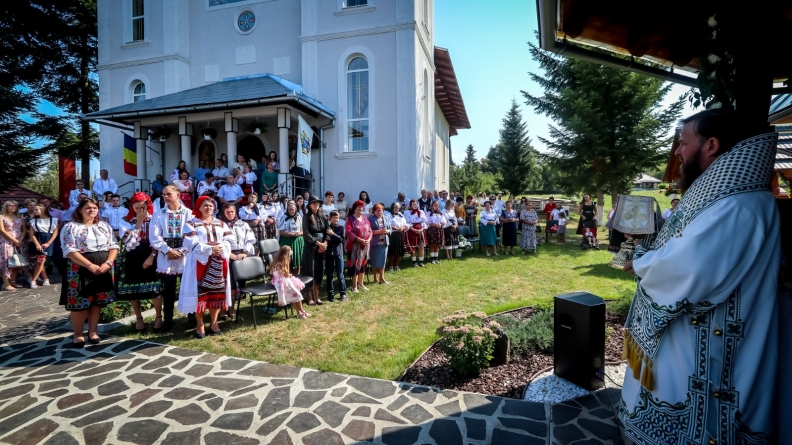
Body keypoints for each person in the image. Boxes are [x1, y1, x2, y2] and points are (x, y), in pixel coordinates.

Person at [619, 110, 783, 443]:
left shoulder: (738, 206)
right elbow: (686, 246)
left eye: (683, 143)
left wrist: (640, 261)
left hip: (713, 343)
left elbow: (688, 268)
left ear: (711, 145)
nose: (678, 152)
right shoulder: (724, 199)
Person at [60, 198, 118, 347]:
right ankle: (78, 334)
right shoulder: (71, 227)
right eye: (88, 208)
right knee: (80, 303)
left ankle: (93, 332)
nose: (92, 210)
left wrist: (108, 262)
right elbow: (69, 250)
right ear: (80, 210)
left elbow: (113, 245)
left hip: (103, 267)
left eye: (94, 207)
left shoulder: (104, 226)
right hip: (80, 268)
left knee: (97, 302)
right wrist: (89, 265)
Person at [178, 196, 233, 338]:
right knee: (200, 296)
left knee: (217, 294)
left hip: (219, 262)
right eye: (205, 205)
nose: (208, 208)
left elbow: (230, 239)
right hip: (199, 263)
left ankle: (214, 323)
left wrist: (220, 247)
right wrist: (209, 250)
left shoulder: (221, 223)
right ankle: (200, 324)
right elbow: (191, 242)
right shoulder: (191, 224)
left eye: (211, 205)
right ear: (198, 207)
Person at [116, 193, 164, 332]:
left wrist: (152, 255)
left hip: (151, 253)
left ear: (148, 206)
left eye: (142, 207)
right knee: (133, 289)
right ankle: (139, 318)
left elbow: (158, 238)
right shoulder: (125, 220)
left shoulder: (155, 218)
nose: (139, 210)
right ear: (131, 206)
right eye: (136, 207)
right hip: (133, 255)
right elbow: (126, 241)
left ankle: (158, 317)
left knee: (155, 287)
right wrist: (138, 222)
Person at [149, 185, 192, 331]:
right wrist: (167, 251)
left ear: (178, 194)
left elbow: (193, 234)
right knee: (168, 289)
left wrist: (182, 250)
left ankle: (191, 316)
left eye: (169, 194)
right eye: (163, 194)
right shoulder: (159, 214)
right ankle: (168, 319)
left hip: (184, 255)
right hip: (166, 255)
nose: (165, 197)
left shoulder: (189, 214)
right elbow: (154, 237)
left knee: (187, 287)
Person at [218, 203, 255, 320]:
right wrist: (229, 255)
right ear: (223, 213)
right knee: (225, 283)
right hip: (225, 256)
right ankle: (223, 309)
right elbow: (218, 242)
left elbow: (249, 239)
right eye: (227, 212)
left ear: (236, 212)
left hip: (240, 255)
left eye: (232, 212)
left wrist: (244, 252)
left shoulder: (243, 224)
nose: (230, 214)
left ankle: (232, 307)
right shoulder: (220, 225)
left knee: (235, 284)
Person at [270, 246, 310, 319]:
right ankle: (300, 312)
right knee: (295, 295)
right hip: (282, 282)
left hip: (281, 281)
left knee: (295, 296)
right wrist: (288, 275)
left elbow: (273, 272)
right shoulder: (282, 263)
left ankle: (301, 311)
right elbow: (285, 273)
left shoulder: (276, 261)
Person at [302, 195, 328, 304]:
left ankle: (317, 295)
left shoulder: (322, 216)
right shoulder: (306, 217)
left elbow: (327, 229)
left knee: (319, 271)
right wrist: (317, 243)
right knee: (310, 270)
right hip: (311, 247)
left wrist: (325, 243)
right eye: (314, 203)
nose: (316, 205)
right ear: (309, 205)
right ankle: (310, 296)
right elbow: (306, 233)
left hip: (321, 247)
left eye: (317, 203)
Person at [27, 204, 58, 288]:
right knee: (40, 261)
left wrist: (48, 243)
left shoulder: (53, 220)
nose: (34, 211)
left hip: (48, 240)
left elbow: (55, 233)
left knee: (41, 261)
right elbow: (31, 233)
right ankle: (44, 279)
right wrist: (37, 244)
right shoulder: (34, 221)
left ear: (43, 210)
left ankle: (34, 280)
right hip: (38, 240)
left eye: (36, 209)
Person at [346, 200, 371, 291]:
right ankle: (354, 286)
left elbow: (370, 231)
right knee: (355, 265)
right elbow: (349, 232)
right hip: (354, 247)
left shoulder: (365, 218)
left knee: (363, 264)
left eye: (362, 207)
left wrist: (368, 239)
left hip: (365, 246)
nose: (361, 209)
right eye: (359, 207)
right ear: (355, 209)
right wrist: (360, 240)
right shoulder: (350, 219)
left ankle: (361, 284)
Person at [0, 202, 24, 291]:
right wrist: (14, 240)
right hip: (6, 242)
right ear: (5, 206)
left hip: (18, 242)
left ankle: (13, 281)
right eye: (11, 205)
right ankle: (6, 284)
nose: (13, 207)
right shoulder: (1, 217)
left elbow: (24, 230)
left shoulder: (19, 216)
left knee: (16, 261)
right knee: (7, 262)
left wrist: (20, 240)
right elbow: (2, 231)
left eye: (15, 205)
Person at [325, 210, 346, 301]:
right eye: (333, 218)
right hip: (329, 254)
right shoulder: (327, 228)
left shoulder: (341, 228)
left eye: (337, 218)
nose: (335, 219)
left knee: (340, 274)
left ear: (339, 218)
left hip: (338, 253)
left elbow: (341, 239)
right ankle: (330, 294)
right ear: (330, 218)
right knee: (329, 275)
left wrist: (333, 234)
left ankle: (343, 293)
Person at [278, 200, 304, 274]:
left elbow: (303, 230)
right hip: (287, 241)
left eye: (292, 209)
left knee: (298, 261)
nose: (291, 211)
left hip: (298, 242)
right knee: (287, 261)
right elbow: (281, 232)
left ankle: (297, 276)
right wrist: (292, 234)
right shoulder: (284, 217)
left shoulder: (299, 216)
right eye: (289, 210)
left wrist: (299, 233)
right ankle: (287, 275)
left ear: (295, 209)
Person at [368, 203, 390, 283]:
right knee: (374, 260)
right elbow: (368, 231)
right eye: (378, 210)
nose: (380, 212)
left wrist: (388, 231)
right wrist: (378, 232)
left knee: (382, 261)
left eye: (381, 210)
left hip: (384, 243)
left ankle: (382, 278)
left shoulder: (386, 218)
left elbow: (390, 229)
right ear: (374, 211)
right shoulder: (371, 219)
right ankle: (375, 278)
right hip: (375, 243)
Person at [404, 199, 427, 267]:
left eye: (416, 204)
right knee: (413, 247)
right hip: (411, 231)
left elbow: (423, 222)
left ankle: (421, 262)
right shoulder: (407, 212)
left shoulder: (421, 212)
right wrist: (413, 229)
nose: (415, 205)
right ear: (410, 205)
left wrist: (422, 229)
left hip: (420, 231)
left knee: (421, 246)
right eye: (413, 204)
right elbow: (406, 222)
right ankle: (414, 262)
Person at [388, 203, 408, 271]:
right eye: (394, 207)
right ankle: (390, 266)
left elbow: (405, 224)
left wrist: (402, 228)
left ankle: (396, 265)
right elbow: (388, 225)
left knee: (398, 250)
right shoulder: (388, 215)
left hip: (400, 234)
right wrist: (396, 228)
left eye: (397, 207)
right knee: (391, 251)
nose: (395, 209)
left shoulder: (401, 215)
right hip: (392, 235)